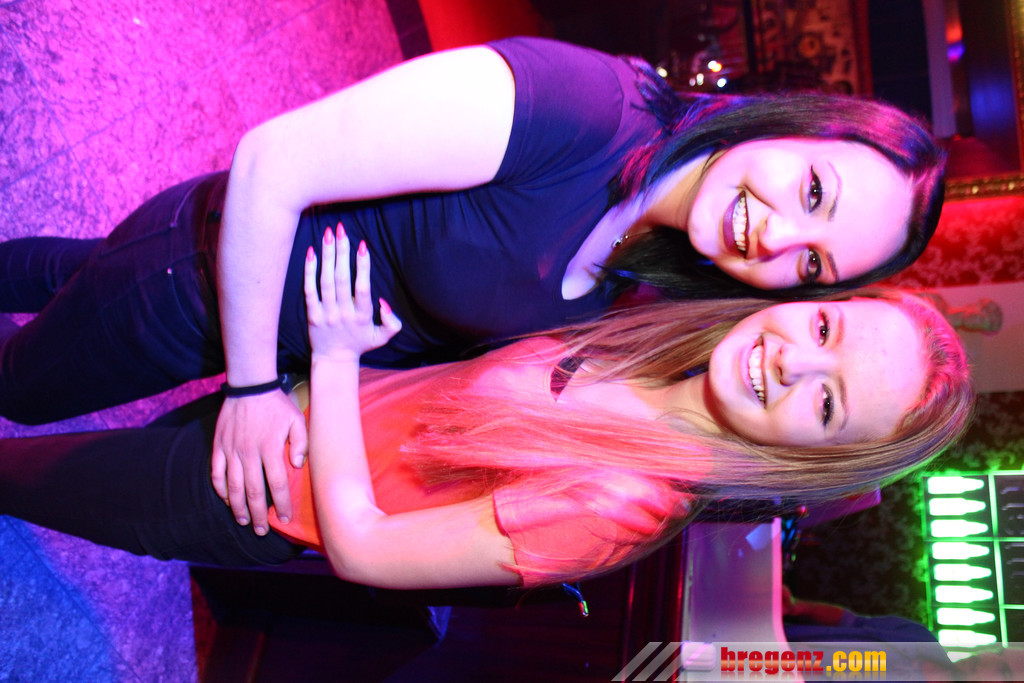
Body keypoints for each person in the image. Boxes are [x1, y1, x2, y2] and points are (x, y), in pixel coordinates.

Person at [0, 37, 946, 537]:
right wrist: (249, 386)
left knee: (68, 275)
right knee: (26, 388)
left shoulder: (656, 276)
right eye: (812, 191)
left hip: (285, 335)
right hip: (208, 276)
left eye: (812, 264)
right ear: (793, 124)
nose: (777, 235)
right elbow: (272, 161)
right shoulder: (581, 107)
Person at [0, 231, 971, 587]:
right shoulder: (657, 339)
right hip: (285, 406)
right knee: (86, 319)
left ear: (814, 457)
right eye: (825, 328)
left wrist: (333, 361)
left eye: (827, 402)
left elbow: (365, 549)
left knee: (26, 475)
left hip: (252, 494)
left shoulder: (620, 503)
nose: (791, 361)